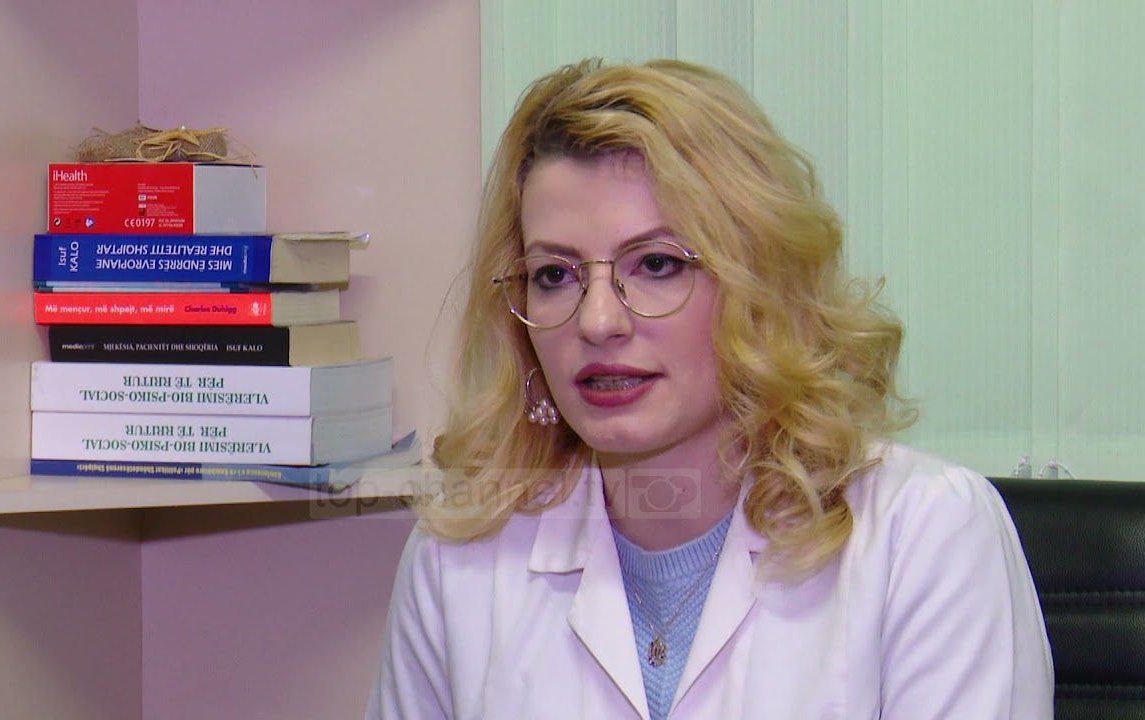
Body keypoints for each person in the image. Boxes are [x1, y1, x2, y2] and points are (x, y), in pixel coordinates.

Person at [365, 58, 1053, 719]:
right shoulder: (458, 560)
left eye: (656, 264)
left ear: (760, 287)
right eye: (554, 275)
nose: (597, 321)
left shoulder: (924, 535)